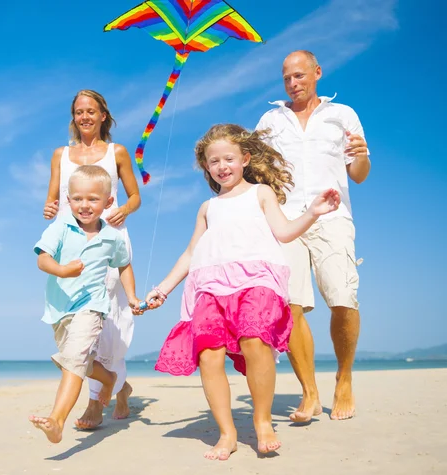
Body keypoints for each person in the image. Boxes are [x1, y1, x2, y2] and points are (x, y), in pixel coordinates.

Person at [143, 124, 340, 459]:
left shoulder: (260, 193)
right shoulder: (208, 207)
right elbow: (191, 253)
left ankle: (262, 422)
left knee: (255, 341)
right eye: (214, 161)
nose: (222, 166)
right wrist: (163, 288)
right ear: (206, 166)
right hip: (210, 285)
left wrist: (312, 213)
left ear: (245, 158)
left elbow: (285, 232)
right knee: (209, 356)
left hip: (256, 279)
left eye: (228, 159)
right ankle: (227, 433)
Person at [255, 50, 371, 422]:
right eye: (287, 77)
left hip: (332, 216)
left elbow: (359, 174)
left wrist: (363, 155)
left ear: (317, 73)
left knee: (343, 298)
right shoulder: (270, 120)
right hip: (286, 219)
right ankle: (308, 392)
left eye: (300, 76)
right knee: (289, 306)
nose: (293, 83)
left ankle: (344, 377)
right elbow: (255, 172)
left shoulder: (343, 115)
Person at [43, 90, 141, 428]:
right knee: (70, 322)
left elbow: (135, 197)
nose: (85, 116)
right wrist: (50, 207)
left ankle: (96, 403)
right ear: (74, 117)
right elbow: (54, 198)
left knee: (106, 321)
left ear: (103, 115)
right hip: (70, 245)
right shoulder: (61, 154)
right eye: (79, 111)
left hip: (107, 239)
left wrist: (122, 210)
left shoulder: (118, 152)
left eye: (91, 111)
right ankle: (118, 383)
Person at [29, 165, 141, 444]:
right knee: (79, 360)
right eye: (78, 198)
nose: (85, 205)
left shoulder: (112, 237)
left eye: (93, 199)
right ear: (68, 200)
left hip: (92, 306)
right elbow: (43, 259)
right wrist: (62, 270)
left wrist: (132, 297)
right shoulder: (60, 227)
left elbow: (124, 265)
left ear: (108, 202)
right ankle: (109, 378)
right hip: (59, 309)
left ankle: (57, 420)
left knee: (75, 359)